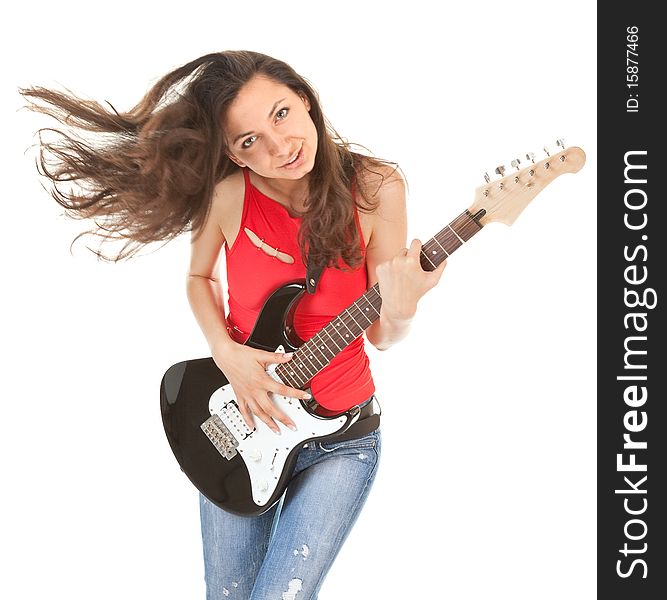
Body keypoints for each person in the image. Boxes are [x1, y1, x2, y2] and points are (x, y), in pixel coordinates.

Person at [20, 50, 446, 599]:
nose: (280, 145)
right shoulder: (228, 197)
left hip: (342, 436)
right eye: (248, 141)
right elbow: (199, 279)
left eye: (282, 114)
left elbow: (383, 335)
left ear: (307, 101)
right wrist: (226, 354)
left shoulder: (376, 187)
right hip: (244, 430)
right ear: (232, 155)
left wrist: (404, 307)